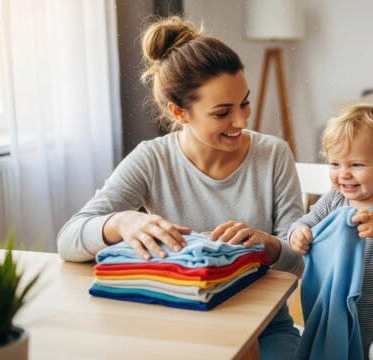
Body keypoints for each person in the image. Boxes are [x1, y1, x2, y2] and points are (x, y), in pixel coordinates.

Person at [56, 16, 304, 359]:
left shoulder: (274, 154)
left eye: (244, 102)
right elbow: (68, 238)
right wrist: (121, 222)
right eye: (222, 113)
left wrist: (269, 244)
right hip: (178, 327)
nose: (242, 121)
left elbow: (300, 262)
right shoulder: (152, 159)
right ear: (179, 112)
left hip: (265, 329)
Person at [289, 104, 373, 357]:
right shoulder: (333, 200)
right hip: (337, 311)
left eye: (356, 164)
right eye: (335, 164)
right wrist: (297, 233)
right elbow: (305, 221)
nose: (344, 174)